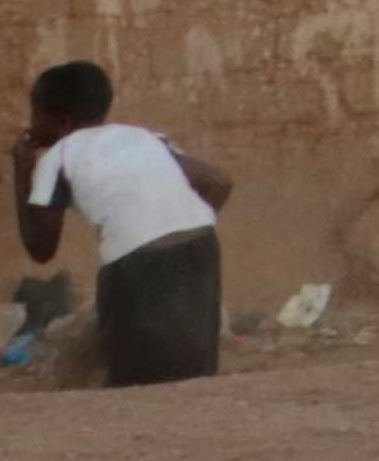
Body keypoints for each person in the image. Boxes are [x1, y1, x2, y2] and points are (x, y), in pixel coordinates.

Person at [14, 63, 233, 390]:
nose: (31, 125)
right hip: (201, 243)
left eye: (36, 115)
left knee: (132, 380)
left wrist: (21, 171)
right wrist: (177, 224)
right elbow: (218, 181)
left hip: (136, 260)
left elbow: (40, 248)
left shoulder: (57, 157)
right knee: (195, 369)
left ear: (62, 122)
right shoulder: (143, 137)